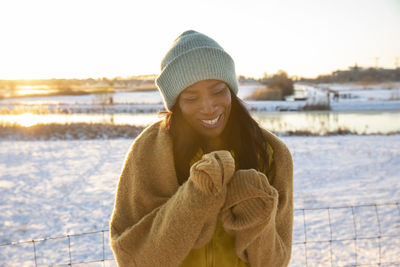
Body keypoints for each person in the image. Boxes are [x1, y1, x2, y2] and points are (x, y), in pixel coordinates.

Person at [110, 30, 293, 267]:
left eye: (218, 91)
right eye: (191, 98)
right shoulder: (149, 151)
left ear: (231, 90)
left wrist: (256, 214)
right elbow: (133, 259)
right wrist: (194, 197)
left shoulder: (271, 153)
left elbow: (276, 262)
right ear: (176, 103)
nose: (208, 107)